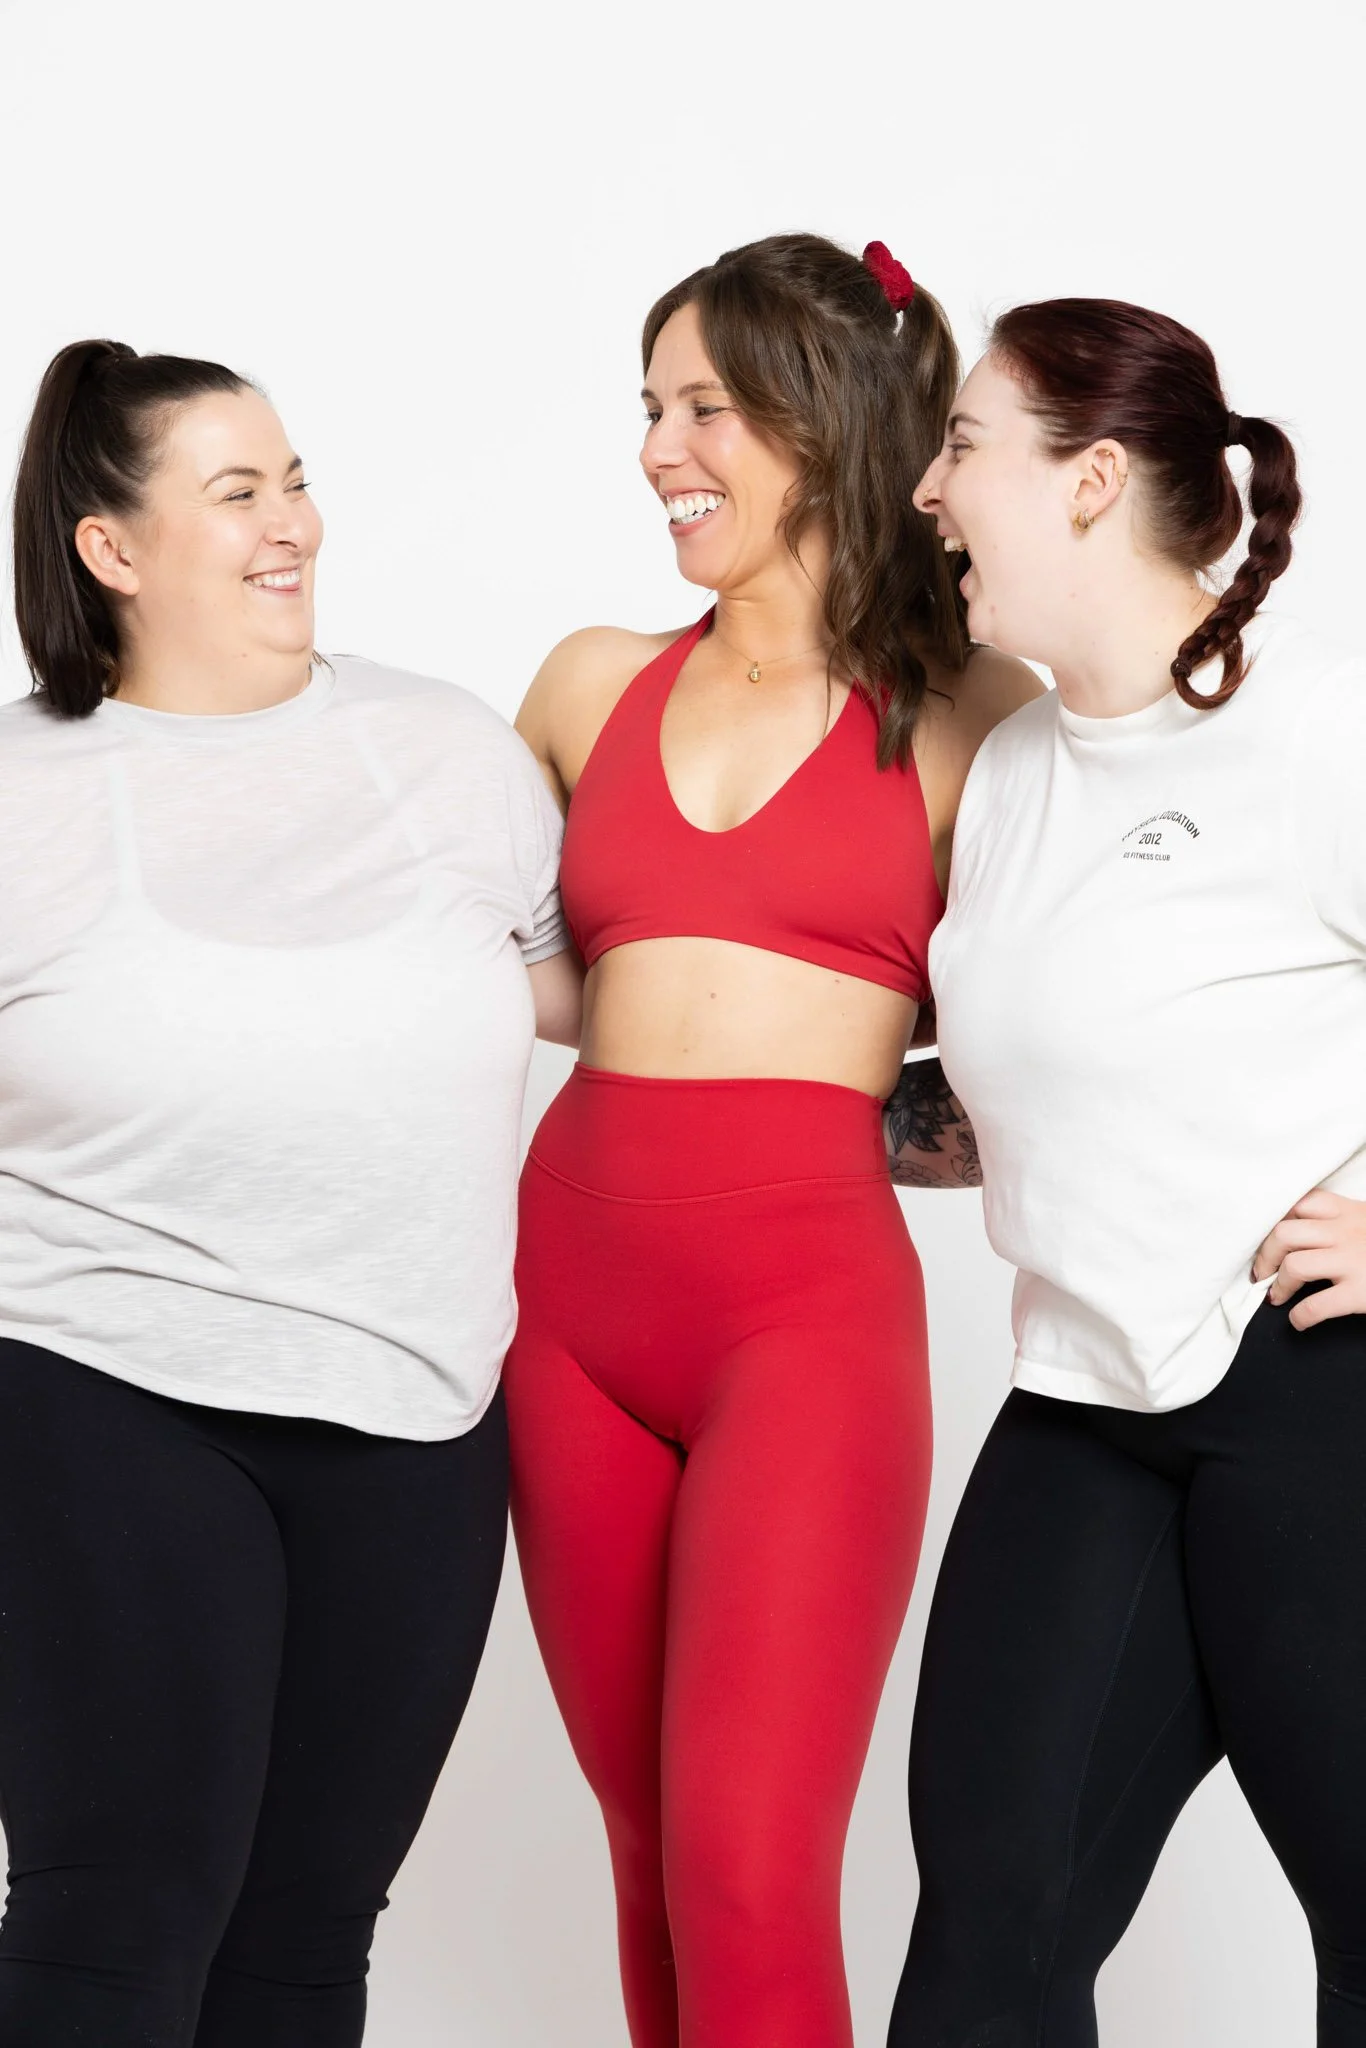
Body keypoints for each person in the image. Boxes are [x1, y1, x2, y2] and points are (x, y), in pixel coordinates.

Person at [0, 339, 580, 2048]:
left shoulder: (448, 750)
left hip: (418, 1407)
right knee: (116, 1920)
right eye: (238, 491)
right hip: (101, 1383)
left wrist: (913, 1107)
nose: (294, 525)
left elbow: (630, 1012)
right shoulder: (21, 790)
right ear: (111, 546)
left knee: (309, 1939)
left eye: (299, 481)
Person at [505, 233, 1040, 2048]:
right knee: (648, 1852)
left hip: (798, 1322)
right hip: (563, 1311)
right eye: (649, 408)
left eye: (703, 409)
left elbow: (1094, 1029)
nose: (656, 449)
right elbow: (451, 967)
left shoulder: (978, 718)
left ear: (823, 424)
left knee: (746, 1868)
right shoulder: (587, 684)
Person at [889, 297, 1366, 2046]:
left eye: (960, 446)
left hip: (1312, 1393)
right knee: (986, 1946)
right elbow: (1016, 1104)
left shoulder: (1315, 726)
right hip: (1083, 1400)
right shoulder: (1017, 769)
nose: (927, 492)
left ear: (1088, 481)